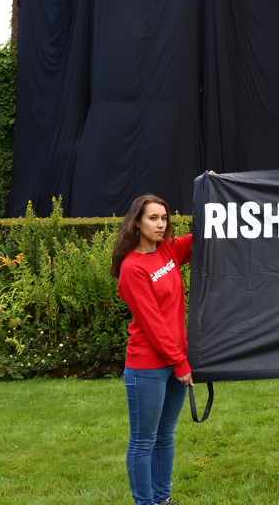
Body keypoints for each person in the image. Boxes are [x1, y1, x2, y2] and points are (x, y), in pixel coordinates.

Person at [112, 194, 194, 505]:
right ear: (136, 223)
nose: (160, 224)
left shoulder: (168, 251)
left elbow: (206, 234)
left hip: (175, 359)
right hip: (148, 364)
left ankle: (163, 499)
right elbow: (153, 323)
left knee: (165, 436)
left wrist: (214, 189)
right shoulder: (132, 268)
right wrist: (180, 362)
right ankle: (145, 503)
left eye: (164, 218)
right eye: (153, 218)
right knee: (143, 441)